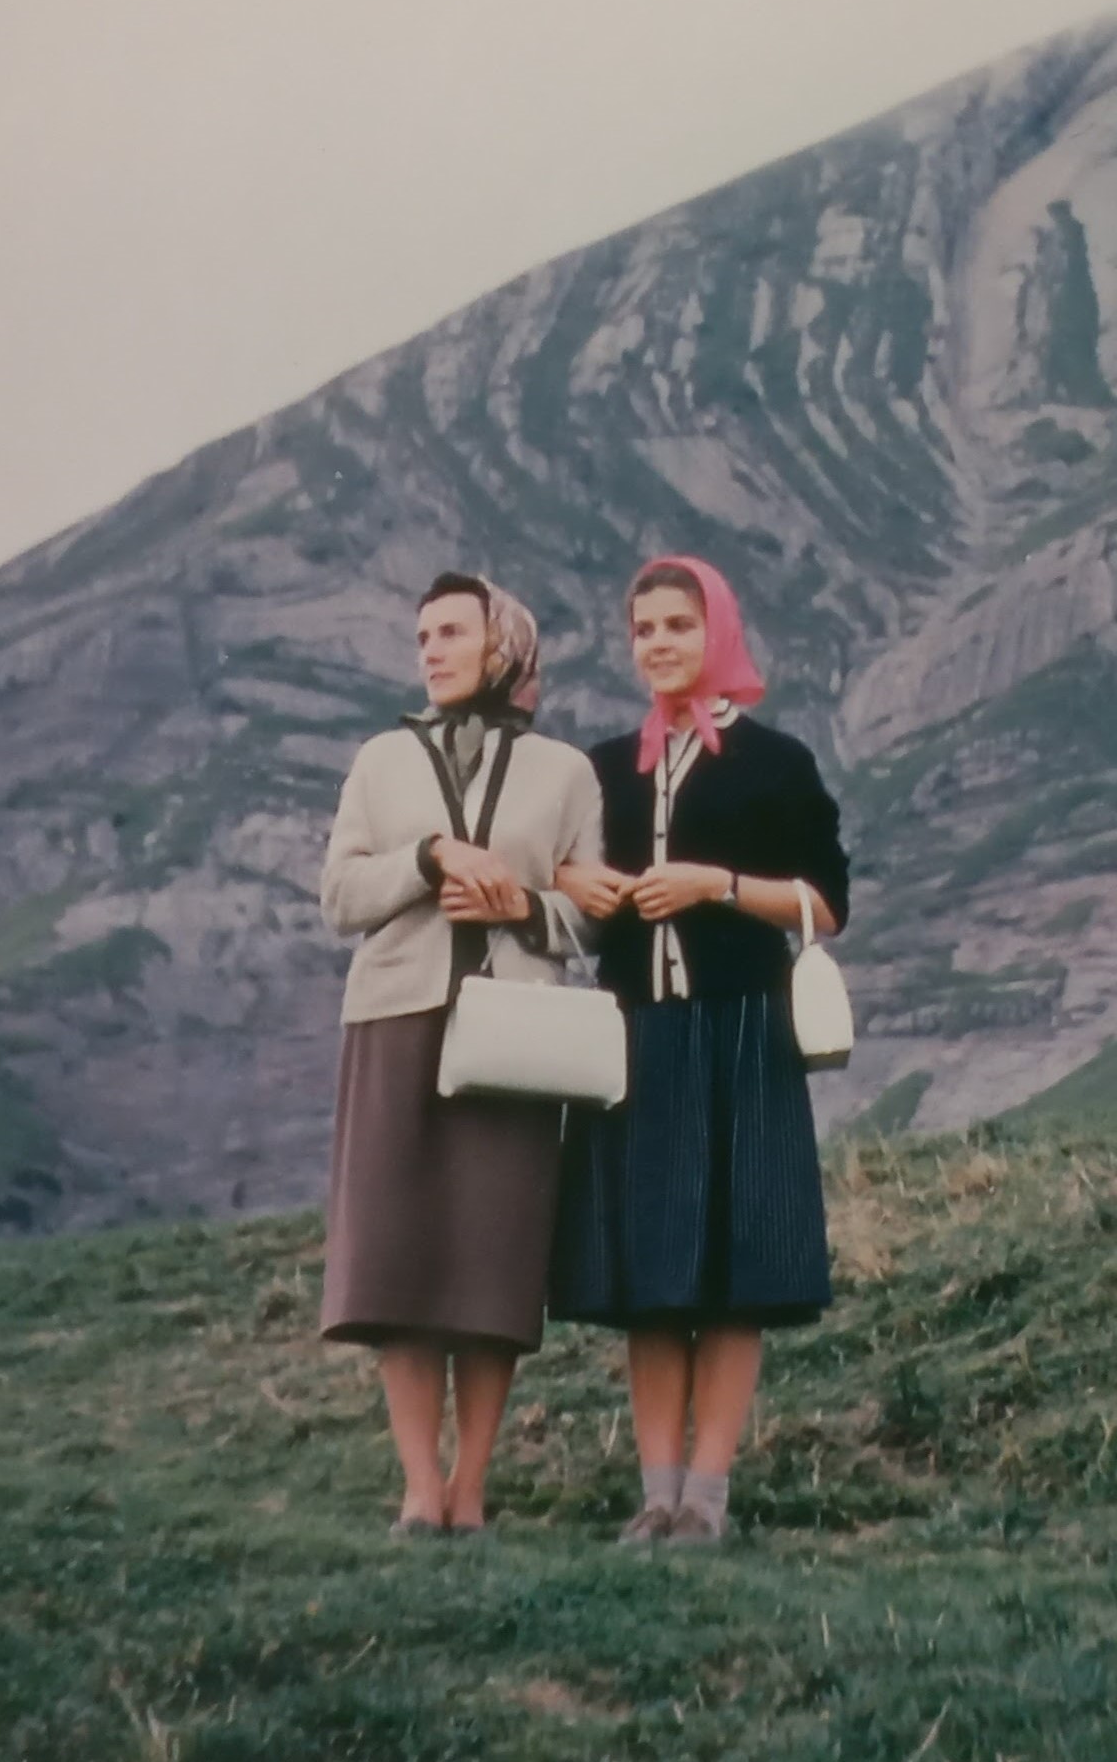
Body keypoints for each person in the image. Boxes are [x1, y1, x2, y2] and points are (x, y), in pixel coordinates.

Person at [552, 554, 852, 1547]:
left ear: (717, 632)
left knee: (734, 1273)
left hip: (741, 1032)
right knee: (651, 1278)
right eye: (643, 629)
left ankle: (707, 1500)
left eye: (678, 625)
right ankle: (656, 1496)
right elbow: (567, 889)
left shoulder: (776, 763)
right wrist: (576, 883)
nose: (659, 644)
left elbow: (824, 905)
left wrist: (714, 886)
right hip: (638, 1036)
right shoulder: (603, 770)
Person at [316, 572, 604, 1536]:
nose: (432, 651)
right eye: (423, 636)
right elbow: (339, 896)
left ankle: (472, 1487)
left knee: (493, 1265)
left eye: (452, 632)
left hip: (516, 1034)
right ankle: (418, 1486)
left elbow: (592, 914)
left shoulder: (565, 772)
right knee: (397, 1263)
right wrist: (429, 858)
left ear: (503, 646)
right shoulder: (379, 761)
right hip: (395, 1020)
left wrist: (522, 906)